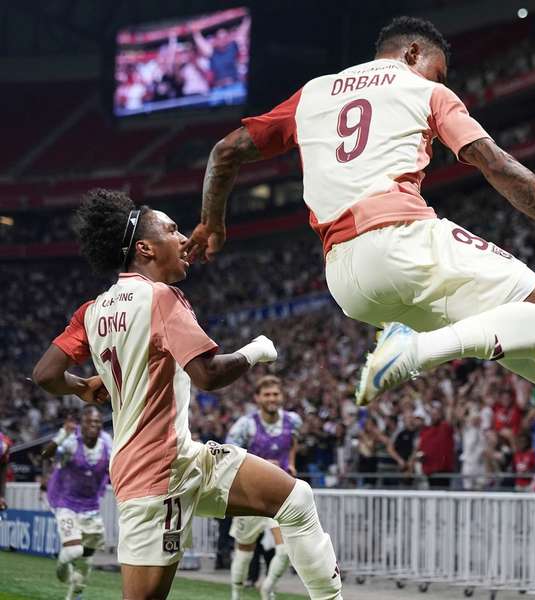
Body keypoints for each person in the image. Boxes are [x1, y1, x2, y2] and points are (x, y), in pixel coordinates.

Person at [184, 16, 535, 440]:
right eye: (438, 71)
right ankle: (413, 353)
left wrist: (212, 223)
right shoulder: (425, 91)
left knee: (501, 327)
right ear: (410, 54)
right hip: (400, 236)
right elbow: (497, 165)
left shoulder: (312, 93)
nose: (441, 81)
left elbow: (225, 151)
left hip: (345, 278)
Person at [31, 189, 342, 600]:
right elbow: (208, 375)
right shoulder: (160, 297)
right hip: (154, 475)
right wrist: (253, 352)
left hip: (184, 457)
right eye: (173, 230)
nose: (182, 240)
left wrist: (84, 388)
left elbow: (46, 374)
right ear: (144, 247)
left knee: (295, 498)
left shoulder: (92, 311)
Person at [225, 375, 302, 600]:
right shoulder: (245, 425)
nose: (272, 398)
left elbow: (292, 443)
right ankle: (236, 594)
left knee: (285, 550)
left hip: (281, 496)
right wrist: (263, 465)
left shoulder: (293, 421)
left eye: (276, 394)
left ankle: (267, 588)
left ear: (282, 396)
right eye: (267, 395)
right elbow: (229, 455)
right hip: (250, 496)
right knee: (244, 552)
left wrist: (292, 464)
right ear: (257, 398)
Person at [41, 406, 112, 600]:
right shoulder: (71, 443)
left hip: (91, 508)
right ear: (82, 424)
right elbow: (45, 454)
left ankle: (72, 598)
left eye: (97, 422)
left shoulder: (107, 442)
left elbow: (115, 466)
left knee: (86, 563)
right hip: (67, 505)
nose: (94, 425)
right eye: (89, 421)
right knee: (74, 550)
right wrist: (62, 434)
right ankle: (62, 566)